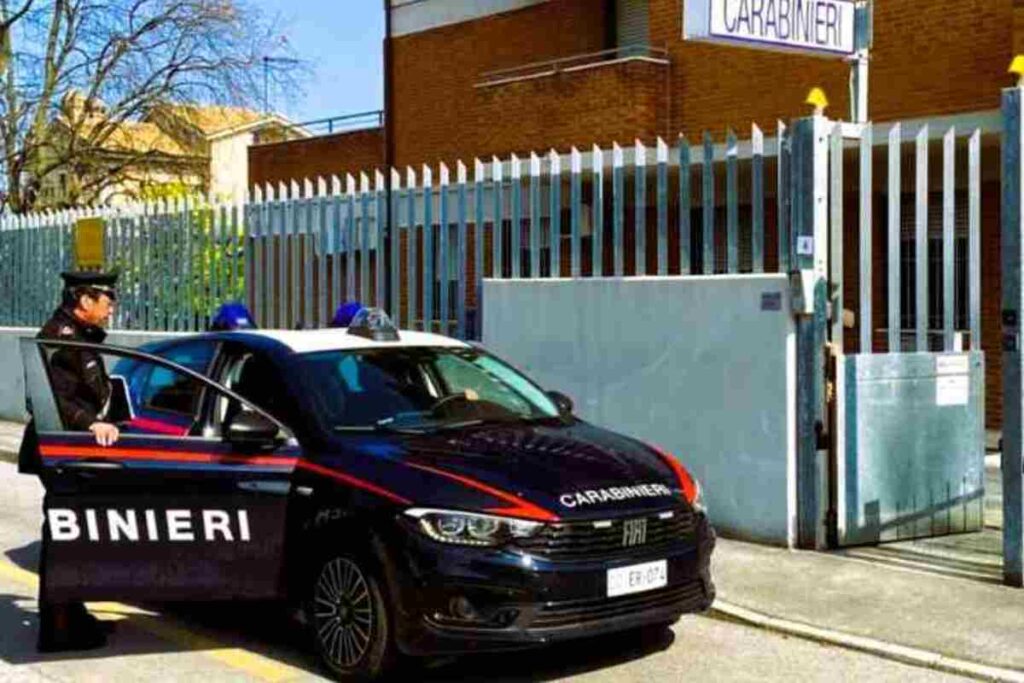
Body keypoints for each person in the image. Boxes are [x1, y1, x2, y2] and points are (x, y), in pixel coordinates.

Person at [22, 270, 120, 652]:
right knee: (64, 534)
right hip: (61, 449)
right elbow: (50, 398)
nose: (111, 307)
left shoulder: (78, 335)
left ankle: (71, 613)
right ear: (84, 300)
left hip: (74, 447)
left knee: (73, 532)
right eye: (106, 299)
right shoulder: (59, 338)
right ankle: (57, 627)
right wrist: (90, 423)